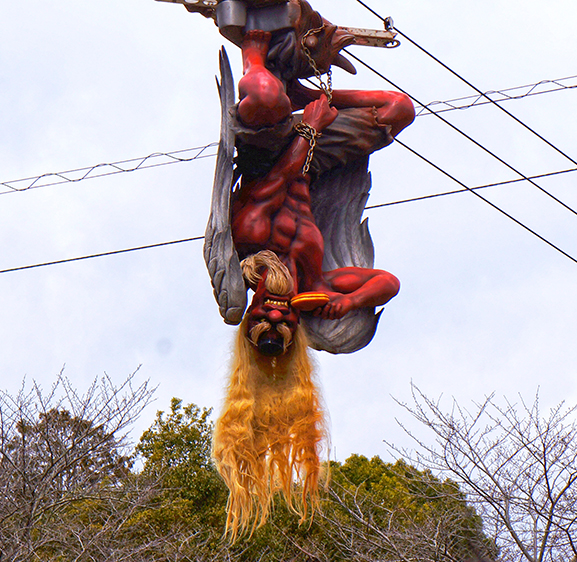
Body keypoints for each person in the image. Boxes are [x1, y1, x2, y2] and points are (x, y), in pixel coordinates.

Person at [211, 0, 414, 539]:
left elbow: (273, 185)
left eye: (263, 323)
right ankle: (298, 89)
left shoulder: (249, 248)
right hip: (311, 147)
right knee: (398, 109)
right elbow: (387, 284)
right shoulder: (317, 285)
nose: (278, 317)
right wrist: (347, 302)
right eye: (285, 327)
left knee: (263, 95)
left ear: (251, 317)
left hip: (270, 144)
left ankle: (255, 48)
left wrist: (307, 123)